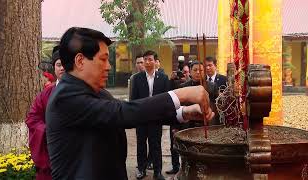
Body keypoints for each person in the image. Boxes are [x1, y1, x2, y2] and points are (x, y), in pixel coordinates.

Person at [45, 27, 214, 180]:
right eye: (103, 59)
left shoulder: (95, 91)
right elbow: (121, 113)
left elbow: (135, 113)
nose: (109, 66)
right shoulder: (66, 97)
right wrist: (180, 94)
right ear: (80, 61)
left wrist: (184, 112)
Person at [25, 46, 65, 180]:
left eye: (65, 64)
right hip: (50, 152)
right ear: (54, 67)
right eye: (59, 64)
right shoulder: (45, 94)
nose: (62, 68)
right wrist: (48, 130)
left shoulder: (82, 93)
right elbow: (32, 119)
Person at [131, 50, 169, 180]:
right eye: (145, 59)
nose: (147, 62)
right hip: (141, 118)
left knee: (156, 145)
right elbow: (133, 100)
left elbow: (166, 99)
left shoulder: (163, 78)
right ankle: (141, 169)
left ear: (155, 61)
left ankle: (157, 172)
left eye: (150, 59)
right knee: (141, 144)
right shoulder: (137, 78)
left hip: (156, 118)